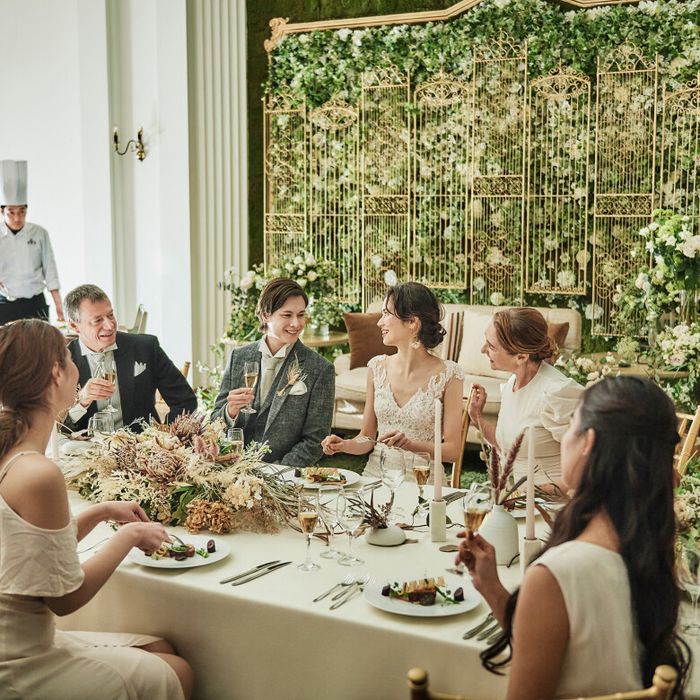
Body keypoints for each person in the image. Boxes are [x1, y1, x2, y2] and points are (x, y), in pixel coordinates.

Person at [456, 376, 690, 699]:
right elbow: (576, 656)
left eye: (569, 426)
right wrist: (493, 588)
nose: (564, 439)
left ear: (588, 442)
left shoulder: (556, 575)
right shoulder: (646, 552)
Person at [0, 319, 193, 699]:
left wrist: (100, 511)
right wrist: (129, 536)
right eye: (69, 357)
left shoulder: (13, 451)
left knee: (159, 647)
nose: (77, 365)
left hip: (18, 637)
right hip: (19, 660)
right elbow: (64, 599)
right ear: (56, 373)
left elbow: (32, 553)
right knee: (180, 670)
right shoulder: (38, 472)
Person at [322, 282, 464, 480]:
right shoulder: (376, 368)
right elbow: (367, 437)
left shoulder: (449, 375)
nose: (379, 323)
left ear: (412, 322)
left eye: (386, 314)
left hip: (423, 481)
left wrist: (411, 446)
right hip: (377, 477)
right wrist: (345, 445)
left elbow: (452, 451)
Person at [211, 277, 334, 466]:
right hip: (233, 469)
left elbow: (315, 440)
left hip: (284, 474)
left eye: (301, 315)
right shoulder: (238, 357)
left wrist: (277, 473)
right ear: (265, 315)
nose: (296, 323)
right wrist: (230, 410)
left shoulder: (320, 369)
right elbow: (214, 423)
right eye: (287, 315)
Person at [468, 307, 583, 487]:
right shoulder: (511, 384)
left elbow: (589, 467)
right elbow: (509, 447)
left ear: (521, 357)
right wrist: (477, 418)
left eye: (491, 346)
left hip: (554, 502)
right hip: (520, 499)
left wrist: (535, 493)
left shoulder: (556, 393)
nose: (483, 350)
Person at [62, 284, 197, 432]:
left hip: (141, 444)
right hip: (84, 446)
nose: (110, 326)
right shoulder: (62, 363)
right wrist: (81, 402)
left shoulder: (145, 347)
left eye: (110, 315)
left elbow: (185, 400)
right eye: (98, 320)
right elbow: (58, 428)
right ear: (74, 326)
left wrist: (165, 436)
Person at [0, 160, 64, 325]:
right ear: (2, 211)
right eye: (11, 212)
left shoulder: (39, 233)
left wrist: (59, 304)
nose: (17, 218)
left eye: (22, 211)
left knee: (39, 341)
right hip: (5, 304)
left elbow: (50, 270)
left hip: (35, 303)